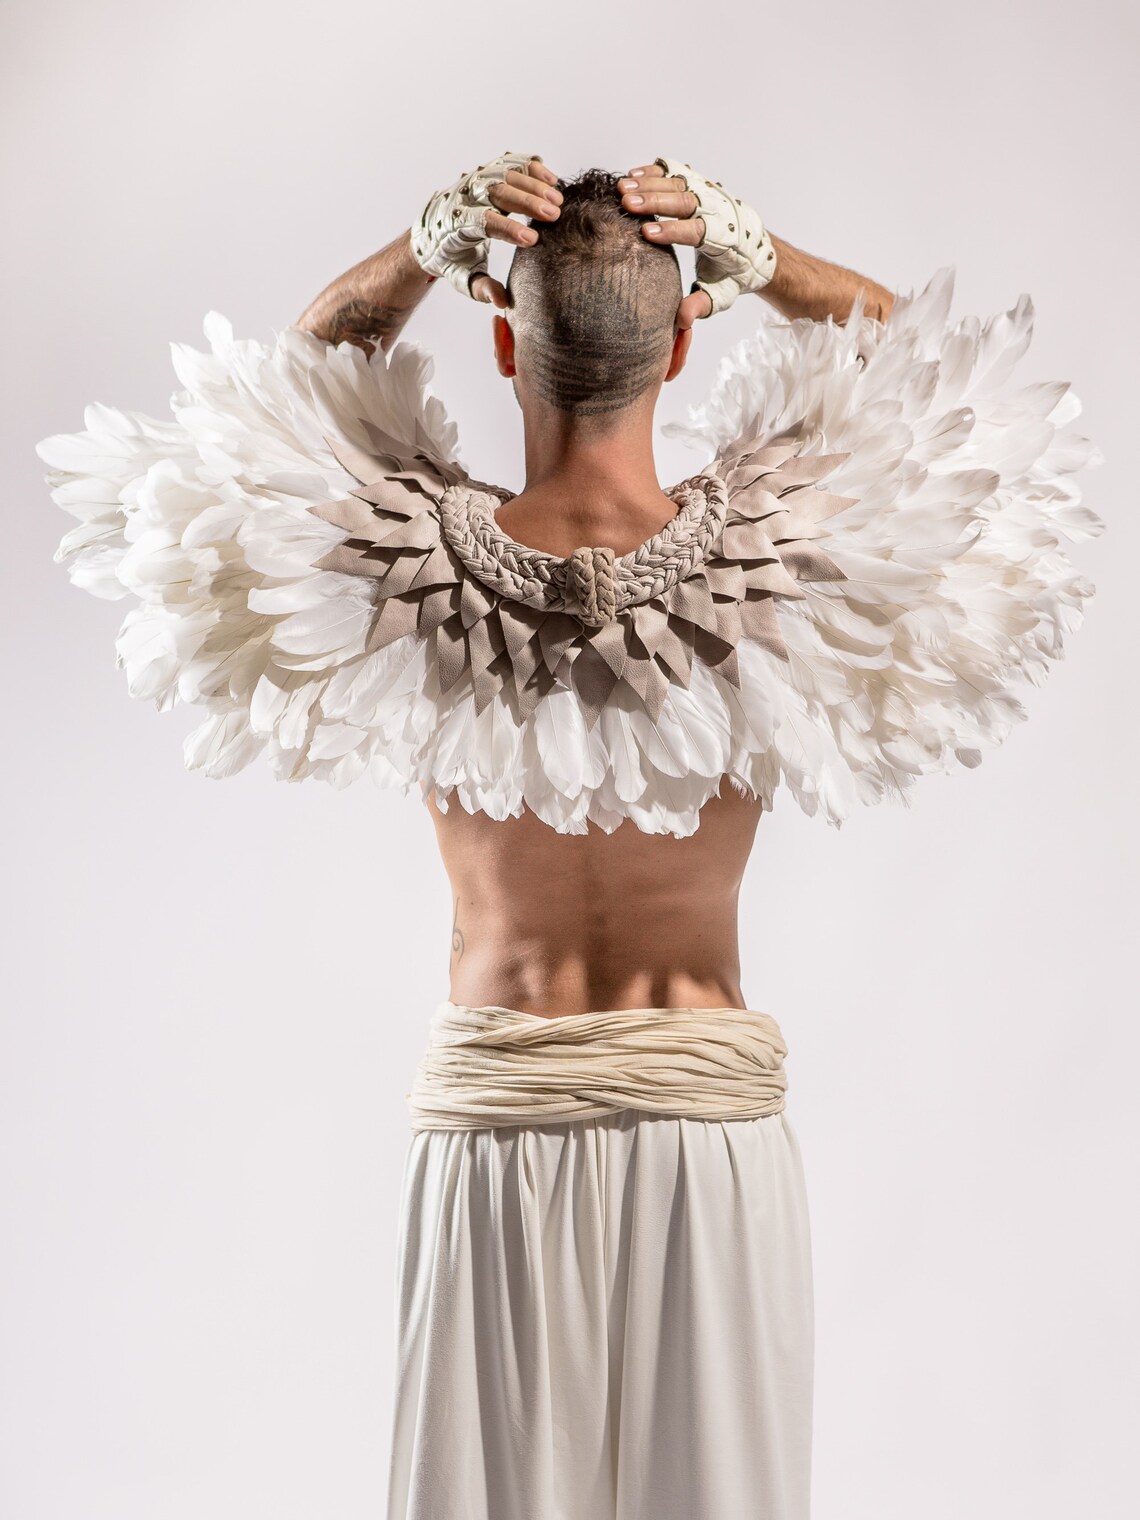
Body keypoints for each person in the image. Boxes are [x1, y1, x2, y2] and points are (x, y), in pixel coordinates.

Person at [37, 152, 1103, 1520]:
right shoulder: (775, 566)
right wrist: (763, 253)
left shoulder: (397, 557)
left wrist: (416, 251)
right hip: (703, 1142)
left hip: (495, 1138)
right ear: (684, 339)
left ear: (498, 341)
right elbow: (936, 391)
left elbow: (265, 411)